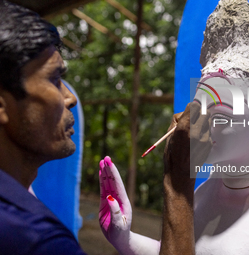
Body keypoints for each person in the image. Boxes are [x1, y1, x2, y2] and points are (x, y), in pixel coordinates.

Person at [99, 0, 249, 254]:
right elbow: (179, 247)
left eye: (220, 115)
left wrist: (177, 186)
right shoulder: (208, 190)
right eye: (197, 109)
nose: (197, 125)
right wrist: (125, 239)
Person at [0, 1, 201, 254]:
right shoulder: (37, 240)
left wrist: (125, 241)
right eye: (54, 79)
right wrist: (178, 184)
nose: (70, 97)